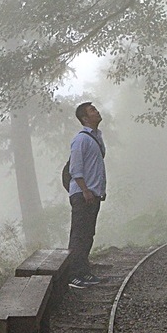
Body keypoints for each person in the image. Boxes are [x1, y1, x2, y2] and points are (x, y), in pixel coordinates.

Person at [67, 101, 107, 288]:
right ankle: (74, 275)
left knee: (88, 234)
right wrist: (85, 190)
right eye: (92, 110)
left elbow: (95, 168)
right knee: (79, 235)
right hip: (83, 194)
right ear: (84, 118)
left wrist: (99, 191)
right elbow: (76, 169)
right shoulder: (81, 139)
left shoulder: (97, 137)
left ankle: (84, 272)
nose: (97, 111)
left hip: (92, 194)